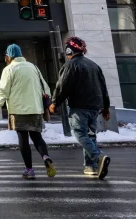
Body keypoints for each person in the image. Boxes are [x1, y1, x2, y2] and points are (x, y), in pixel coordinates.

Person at [0, 44, 56, 180]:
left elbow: (3, 91)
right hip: (35, 109)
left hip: (18, 110)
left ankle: (29, 170)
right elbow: (46, 88)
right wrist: (45, 105)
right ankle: (46, 156)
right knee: (37, 137)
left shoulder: (9, 69)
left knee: (23, 138)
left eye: (6, 56)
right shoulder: (34, 67)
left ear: (9, 56)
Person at [49, 36, 111, 180]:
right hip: (95, 107)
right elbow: (103, 88)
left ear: (69, 50)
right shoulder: (94, 65)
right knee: (90, 135)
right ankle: (91, 167)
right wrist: (106, 108)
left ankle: (98, 156)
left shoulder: (71, 65)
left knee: (80, 133)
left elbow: (63, 86)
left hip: (79, 106)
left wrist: (54, 102)